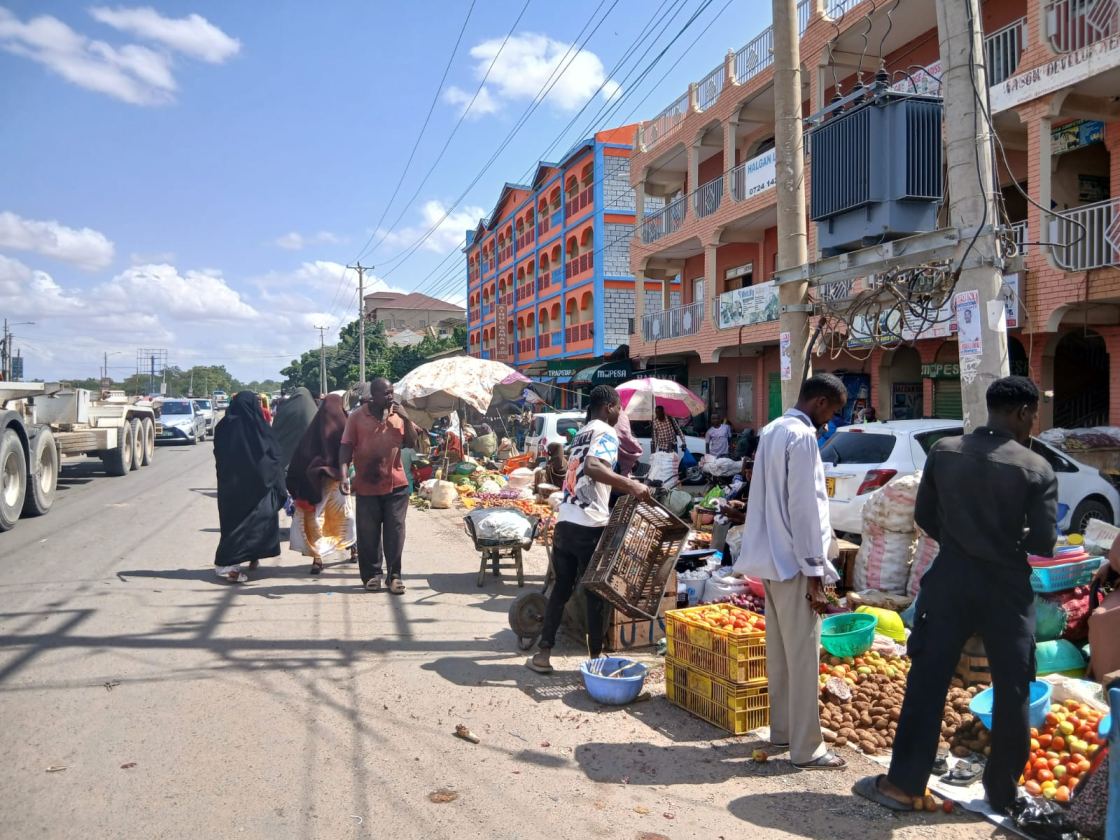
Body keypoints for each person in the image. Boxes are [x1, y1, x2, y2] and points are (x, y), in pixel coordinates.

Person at [854, 376, 1058, 814]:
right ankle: (1002, 795)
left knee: (928, 680)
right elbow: (1043, 542)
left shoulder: (945, 452)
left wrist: (961, 542)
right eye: (1033, 416)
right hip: (1006, 589)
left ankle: (903, 786)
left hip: (950, 579)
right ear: (1023, 413)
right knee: (1013, 689)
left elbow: (925, 515)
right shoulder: (1035, 467)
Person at [734, 373, 848, 770]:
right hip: (795, 564)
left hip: (771, 561)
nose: (830, 421)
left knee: (781, 656)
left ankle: (781, 731)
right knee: (802, 659)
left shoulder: (772, 430)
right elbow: (806, 509)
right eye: (832, 411)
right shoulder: (801, 437)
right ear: (819, 402)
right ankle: (806, 748)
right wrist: (816, 574)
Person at [527, 385, 652, 674]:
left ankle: (544, 653)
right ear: (609, 406)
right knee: (596, 594)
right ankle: (596, 658)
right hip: (589, 526)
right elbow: (595, 468)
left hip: (566, 521)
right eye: (619, 407)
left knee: (561, 588)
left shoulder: (583, 432)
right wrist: (632, 485)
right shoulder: (606, 432)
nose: (620, 412)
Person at [340, 377, 419, 595]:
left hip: (396, 483)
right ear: (372, 396)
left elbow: (412, 442)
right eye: (386, 393)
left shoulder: (398, 415)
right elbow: (346, 447)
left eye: (392, 392)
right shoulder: (357, 417)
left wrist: (407, 419)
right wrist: (344, 475)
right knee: (368, 533)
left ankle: (394, 576)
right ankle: (372, 575)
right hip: (367, 484)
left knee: (395, 531)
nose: (390, 396)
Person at [212, 391, 287, 583]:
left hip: (231, 487)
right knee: (255, 523)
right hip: (258, 486)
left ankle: (250, 558)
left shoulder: (223, 426)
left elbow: (219, 454)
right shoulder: (258, 427)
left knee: (233, 525)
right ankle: (230, 566)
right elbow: (273, 455)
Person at [287, 394, 357, 574]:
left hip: (320, 483)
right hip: (339, 481)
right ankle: (350, 549)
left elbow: (300, 458)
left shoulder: (314, 429)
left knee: (319, 519)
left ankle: (318, 559)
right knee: (345, 517)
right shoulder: (346, 423)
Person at [272, 386, 317, 475]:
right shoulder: (315, 411)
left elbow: (275, 430)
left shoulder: (284, 410)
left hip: (284, 462)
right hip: (309, 462)